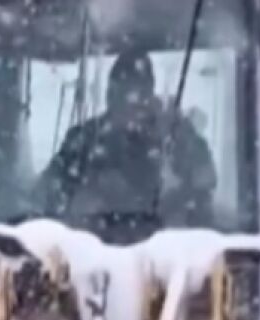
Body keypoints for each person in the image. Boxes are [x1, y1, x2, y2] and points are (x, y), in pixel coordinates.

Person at [32, 49, 217, 244]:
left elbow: (204, 185)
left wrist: (174, 194)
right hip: (87, 255)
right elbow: (45, 195)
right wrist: (85, 197)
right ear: (109, 96)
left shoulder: (175, 138)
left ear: (149, 96)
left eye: (136, 93)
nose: (128, 105)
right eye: (118, 93)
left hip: (166, 257)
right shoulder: (84, 140)